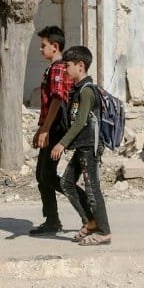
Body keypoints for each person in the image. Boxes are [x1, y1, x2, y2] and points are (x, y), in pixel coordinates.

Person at [52, 46, 111, 246]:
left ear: (80, 66)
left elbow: (80, 122)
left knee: (92, 188)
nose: (65, 70)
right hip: (81, 146)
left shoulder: (87, 92)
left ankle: (104, 231)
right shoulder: (77, 90)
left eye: (67, 66)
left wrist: (62, 144)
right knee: (66, 182)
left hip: (89, 147)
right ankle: (90, 221)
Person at [28, 26, 75, 236]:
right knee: (42, 175)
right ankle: (52, 219)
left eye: (43, 45)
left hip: (55, 128)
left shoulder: (58, 68)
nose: (41, 49)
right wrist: (40, 130)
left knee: (47, 175)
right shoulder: (53, 68)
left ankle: (83, 203)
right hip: (49, 127)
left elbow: (58, 99)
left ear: (55, 47)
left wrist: (46, 129)